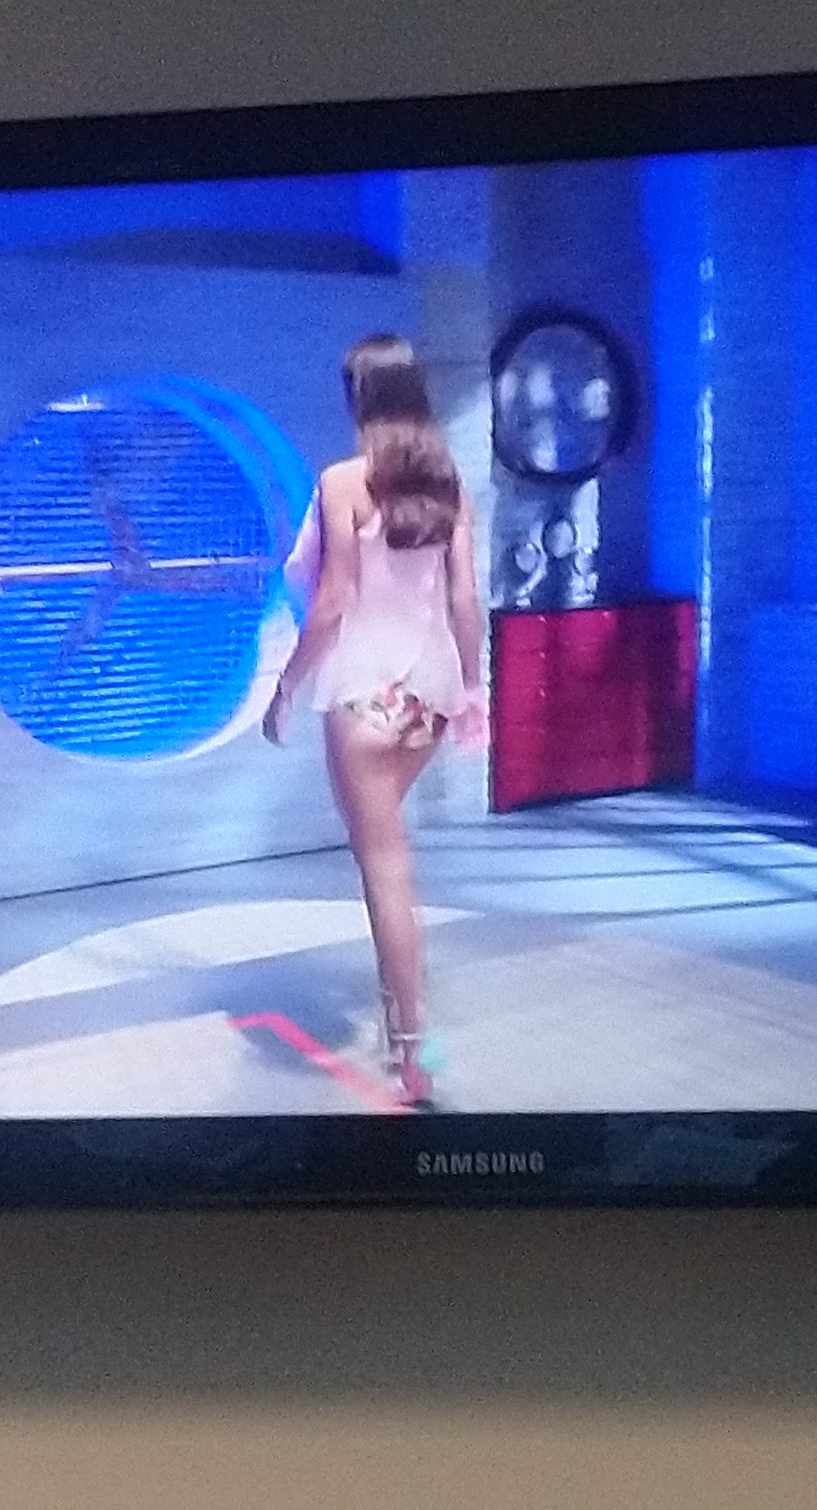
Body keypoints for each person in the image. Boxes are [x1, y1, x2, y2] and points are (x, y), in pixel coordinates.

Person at [263, 335, 487, 1110]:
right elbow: (464, 600)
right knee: (391, 860)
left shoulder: (342, 482)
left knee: (384, 871)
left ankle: (414, 1051)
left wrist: (285, 686)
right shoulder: (448, 483)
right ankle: (409, 1032)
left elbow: (330, 603)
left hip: (361, 694)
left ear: (358, 397)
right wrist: (472, 689)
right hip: (427, 698)